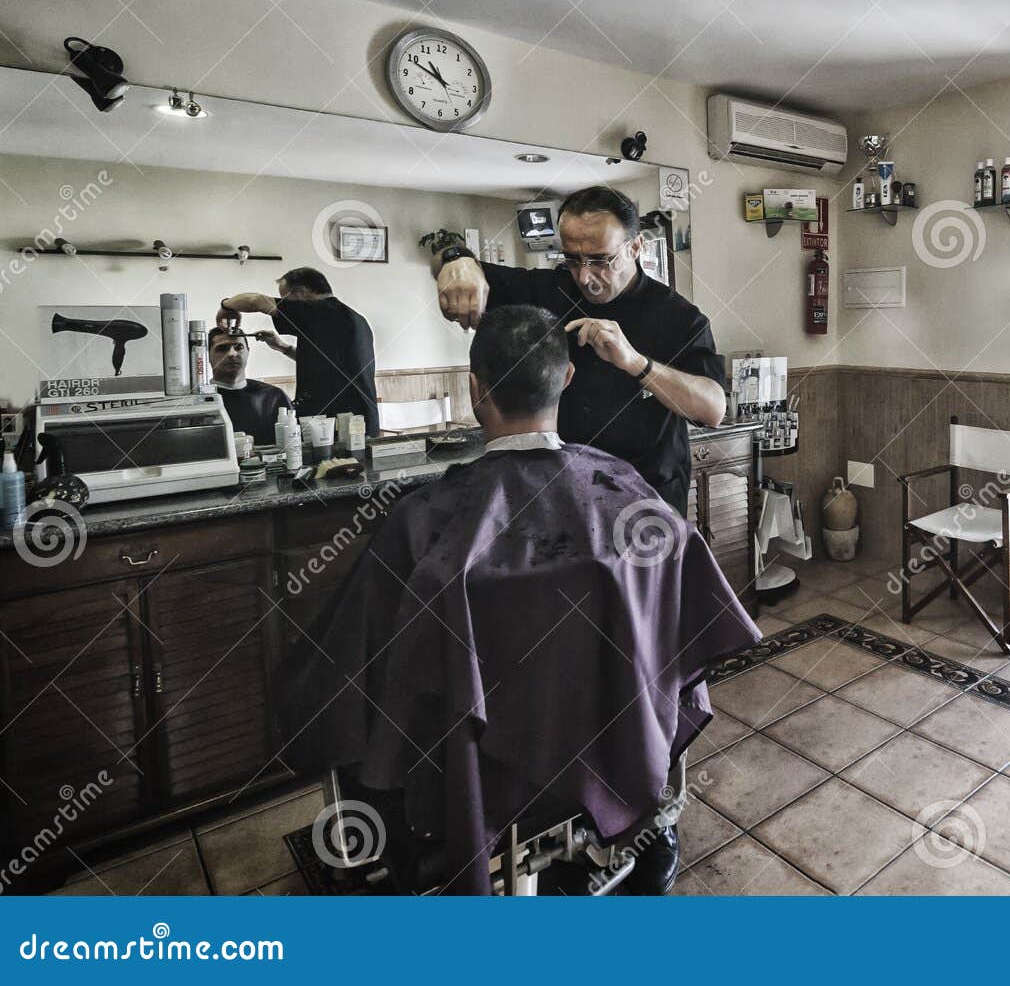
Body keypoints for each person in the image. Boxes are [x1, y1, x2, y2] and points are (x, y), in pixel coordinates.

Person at [273, 305, 759, 895]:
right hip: (610, 730)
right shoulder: (627, 491)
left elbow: (352, 663)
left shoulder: (422, 520)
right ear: (569, 379)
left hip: (476, 767)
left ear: (475, 390)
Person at [432, 187, 724, 515]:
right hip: (567, 499)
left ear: (636, 247)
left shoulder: (679, 318)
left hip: (647, 503)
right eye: (572, 259)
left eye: (601, 260)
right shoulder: (548, 290)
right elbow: (452, 259)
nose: (585, 276)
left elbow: (712, 409)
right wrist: (455, 262)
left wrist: (636, 363)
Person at [218, 267, 379, 435]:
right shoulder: (355, 319)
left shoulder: (318, 311)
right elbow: (327, 361)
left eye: (285, 298)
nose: (284, 304)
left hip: (337, 422)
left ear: (301, 293)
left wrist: (226, 306)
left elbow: (255, 301)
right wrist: (283, 348)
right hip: (362, 418)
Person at [205, 328, 291, 447]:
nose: (232, 354)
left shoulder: (274, 396)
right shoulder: (200, 401)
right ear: (207, 355)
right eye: (222, 348)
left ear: (248, 352)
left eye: (238, 347)